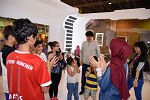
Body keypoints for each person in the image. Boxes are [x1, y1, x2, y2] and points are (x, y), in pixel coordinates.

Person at [6, 18, 57, 100]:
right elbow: (45, 89)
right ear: (30, 38)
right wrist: (49, 67)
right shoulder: (36, 60)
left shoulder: (10, 56)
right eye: (35, 36)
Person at [79, 31, 100, 95]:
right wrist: (81, 60)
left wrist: (98, 62)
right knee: (83, 77)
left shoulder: (95, 43)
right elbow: (81, 52)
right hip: (85, 63)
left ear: (92, 37)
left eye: (90, 36)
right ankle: (83, 89)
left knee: (92, 78)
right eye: (87, 36)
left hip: (92, 64)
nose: (88, 38)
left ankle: (91, 90)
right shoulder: (84, 43)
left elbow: (98, 53)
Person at [0, 25, 16, 100]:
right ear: (10, 37)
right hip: (10, 85)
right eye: (15, 35)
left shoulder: (11, 49)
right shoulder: (6, 51)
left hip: (13, 84)